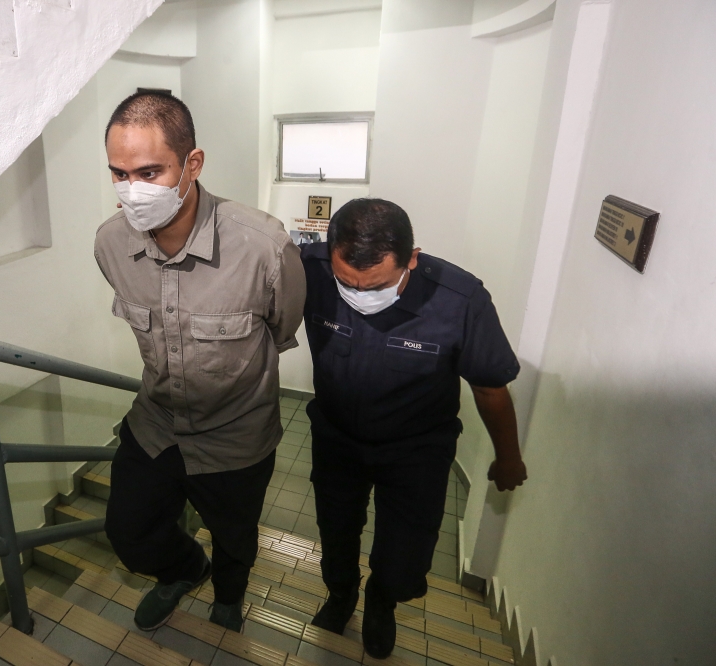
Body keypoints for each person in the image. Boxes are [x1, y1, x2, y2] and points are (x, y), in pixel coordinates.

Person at [95, 91, 305, 633]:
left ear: (193, 164)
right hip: (157, 424)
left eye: (148, 171)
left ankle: (229, 596)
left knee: (236, 538)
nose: (131, 191)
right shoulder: (111, 244)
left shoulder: (264, 246)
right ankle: (185, 570)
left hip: (236, 437)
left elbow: (283, 328)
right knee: (130, 533)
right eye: (119, 174)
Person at [300, 198, 528, 659]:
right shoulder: (308, 267)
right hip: (337, 438)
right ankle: (341, 593)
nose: (361, 297)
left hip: (416, 449)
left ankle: (382, 603)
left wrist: (509, 458)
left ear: (413, 259)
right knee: (336, 529)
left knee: (406, 556)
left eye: (378, 285)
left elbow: (489, 389)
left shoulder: (460, 300)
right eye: (347, 284)